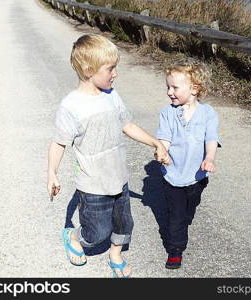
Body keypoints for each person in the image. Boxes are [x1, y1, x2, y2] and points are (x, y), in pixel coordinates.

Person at [47, 34, 170, 278]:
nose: (115, 73)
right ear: (88, 69)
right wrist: (52, 173)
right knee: (96, 231)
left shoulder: (111, 95)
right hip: (92, 183)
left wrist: (155, 142)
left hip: (118, 177)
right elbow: (59, 143)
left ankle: (115, 254)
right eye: (110, 68)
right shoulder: (71, 106)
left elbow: (127, 125)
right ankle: (74, 237)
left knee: (124, 224)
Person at [156, 57, 220, 269]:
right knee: (176, 216)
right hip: (172, 175)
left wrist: (209, 158)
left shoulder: (208, 113)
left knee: (189, 209)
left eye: (174, 87)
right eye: (168, 87)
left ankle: (184, 218)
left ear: (194, 88)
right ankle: (175, 249)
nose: (169, 92)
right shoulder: (167, 113)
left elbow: (211, 138)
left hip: (197, 176)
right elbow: (164, 137)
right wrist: (162, 150)